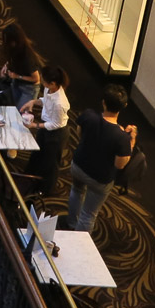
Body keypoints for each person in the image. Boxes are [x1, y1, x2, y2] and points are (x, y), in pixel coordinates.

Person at [65, 86, 137, 233]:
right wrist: (132, 140)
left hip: (78, 165)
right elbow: (120, 164)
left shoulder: (88, 115)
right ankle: (78, 243)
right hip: (100, 178)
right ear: (124, 106)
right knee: (88, 214)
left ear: (103, 103)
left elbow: (80, 133)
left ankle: (71, 222)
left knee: (76, 191)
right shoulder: (122, 137)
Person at [20, 66, 71, 194]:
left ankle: (45, 190)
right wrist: (33, 102)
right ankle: (28, 179)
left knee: (50, 164)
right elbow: (45, 101)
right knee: (37, 154)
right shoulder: (49, 89)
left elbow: (55, 124)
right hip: (46, 125)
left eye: (44, 81)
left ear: (53, 83)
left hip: (57, 133)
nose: (42, 83)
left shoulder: (60, 103)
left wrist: (35, 126)